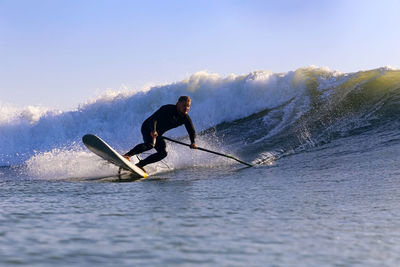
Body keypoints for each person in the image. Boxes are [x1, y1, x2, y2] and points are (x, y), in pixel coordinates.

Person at [124, 96, 197, 172]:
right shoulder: (167, 109)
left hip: (158, 134)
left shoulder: (185, 118)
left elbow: (192, 131)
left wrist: (193, 142)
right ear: (178, 104)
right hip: (148, 127)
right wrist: (153, 130)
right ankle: (127, 155)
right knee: (150, 144)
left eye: (188, 106)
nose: (186, 108)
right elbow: (154, 119)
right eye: (184, 105)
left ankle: (140, 165)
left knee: (163, 153)